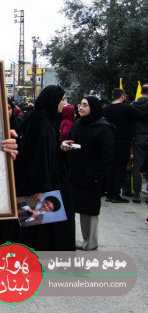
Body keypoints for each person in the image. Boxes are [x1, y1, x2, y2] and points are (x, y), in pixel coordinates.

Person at [0, 85, 76, 251]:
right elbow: (38, 156)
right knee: (39, 227)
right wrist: (40, 187)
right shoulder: (42, 123)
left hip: (38, 179)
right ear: (52, 101)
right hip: (41, 183)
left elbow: (40, 146)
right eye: (62, 100)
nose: (64, 103)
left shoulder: (37, 117)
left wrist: (59, 144)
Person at [65, 96, 114, 251]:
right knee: (73, 205)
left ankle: (90, 242)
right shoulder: (78, 123)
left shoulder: (103, 128)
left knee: (89, 209)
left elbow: (107, 155)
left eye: (85, 105)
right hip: (75, 172)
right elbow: (70, 139)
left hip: (91, 175)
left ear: (93, 108)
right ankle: (73, 239)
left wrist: (94, 174)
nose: (80, 107)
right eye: (80, 104)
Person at [130, 85, 148, 203]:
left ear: (141, 92)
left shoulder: (133, 106)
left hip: (138, 137)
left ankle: (136, 194)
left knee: (137, 164)